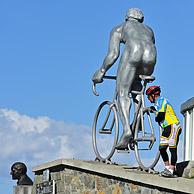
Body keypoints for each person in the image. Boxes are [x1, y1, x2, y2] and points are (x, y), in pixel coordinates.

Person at [92, 8, 157, 149]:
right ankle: (139, 117)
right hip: (151, 57)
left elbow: (113, 55)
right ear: (141, 19)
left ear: (127, 18)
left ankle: (127, 130)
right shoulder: (149, 30)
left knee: (122, 92)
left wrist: (101, 71)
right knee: (137, 85)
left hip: (134, 52)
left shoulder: (119, 28)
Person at [146, 86, 182, 178]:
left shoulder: (162, 100)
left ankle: (171, 169)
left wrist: (156, 115)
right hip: (166, 127)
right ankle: (167, 168)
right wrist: (154, 110)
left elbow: (160, 116)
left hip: (173, 125)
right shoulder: (157, 104)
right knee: (162, 148)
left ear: (153, 95)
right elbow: (158, 113)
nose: (148, 99)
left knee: (172, 149)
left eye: (148, 96)